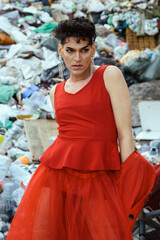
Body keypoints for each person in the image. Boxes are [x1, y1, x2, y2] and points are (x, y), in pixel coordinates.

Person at [6, 17, 155, 240]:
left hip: (100, 175)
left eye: (84, 50)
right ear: (60, 50)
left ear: (93, 49)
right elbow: (65, 136)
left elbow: (125, 134)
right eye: (70, 50)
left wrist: (127, 181)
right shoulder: (56, 91)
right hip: (56, 175)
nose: (77, 58)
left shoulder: (109, 75)